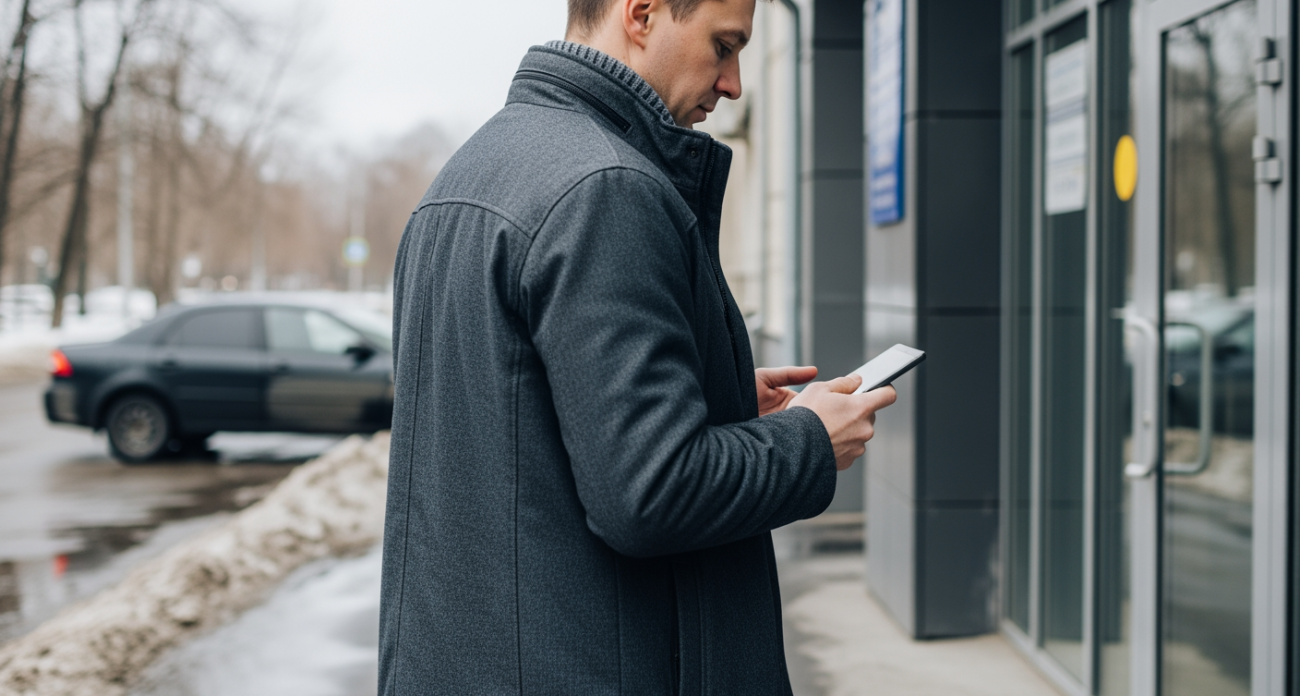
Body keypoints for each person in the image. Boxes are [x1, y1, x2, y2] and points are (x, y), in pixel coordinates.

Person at [378, 0, 897, 693]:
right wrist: (808, 442)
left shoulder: (468, 174)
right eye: (724, 46)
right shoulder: (606, 190)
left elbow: (513, 423)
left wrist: (713, 398)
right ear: (643, 14)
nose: (735, 82)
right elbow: (650, 493)